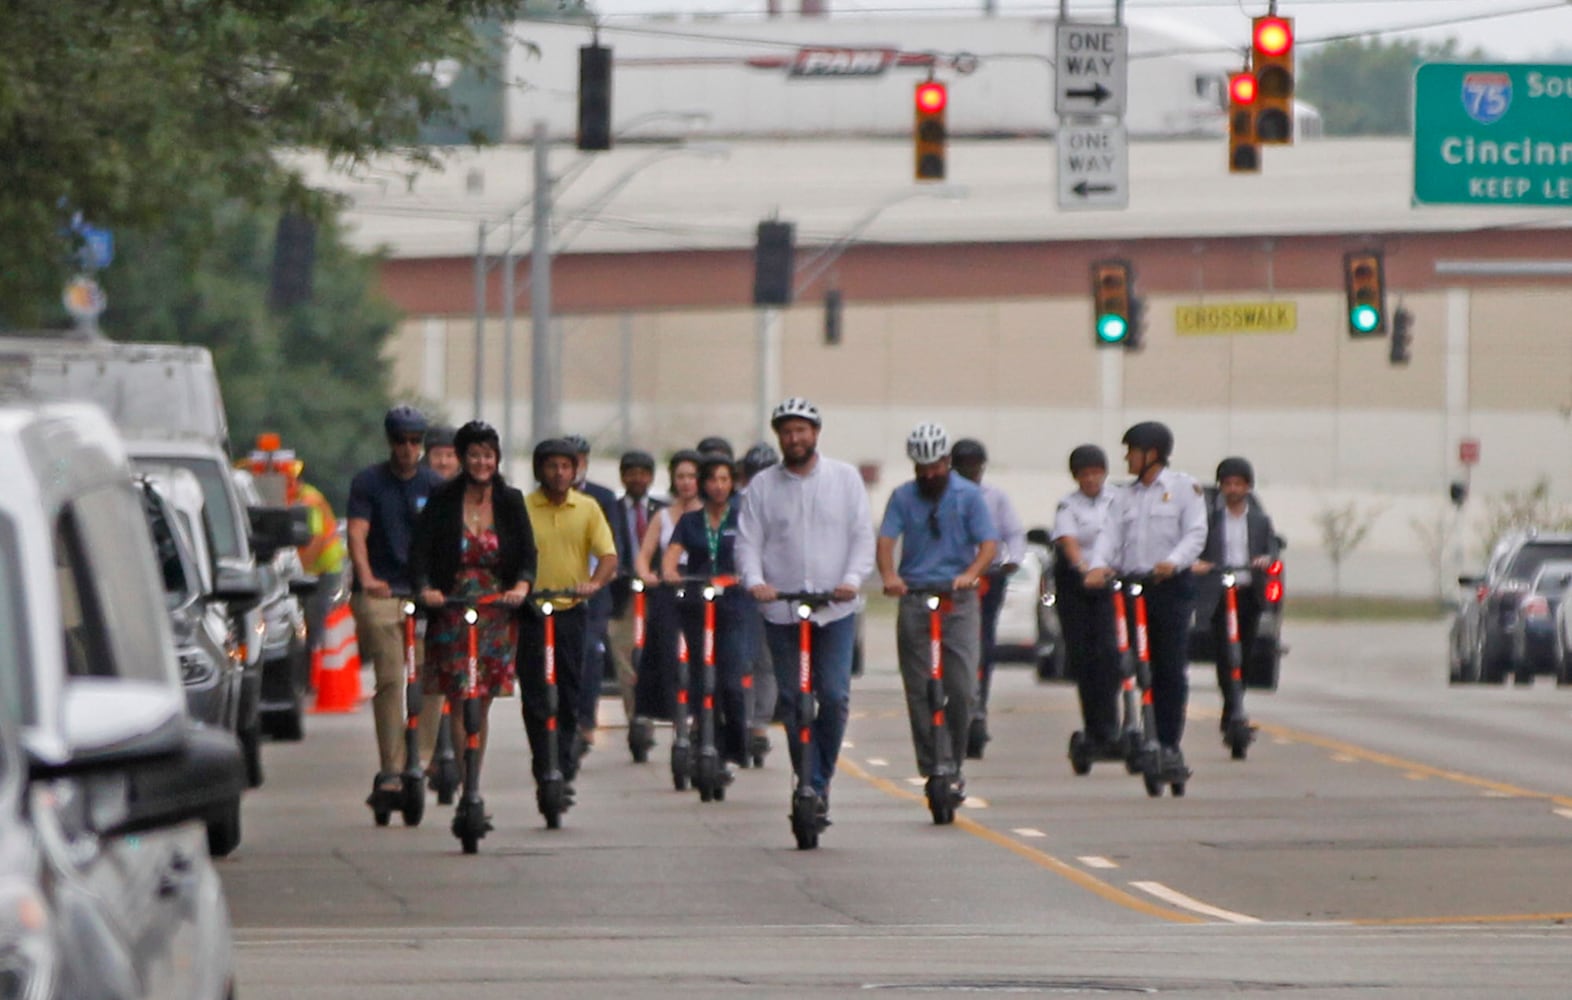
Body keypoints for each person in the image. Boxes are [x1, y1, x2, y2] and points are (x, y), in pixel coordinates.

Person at [737, 397, 875, 829]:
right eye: (786, 431)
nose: (794, 438)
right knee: (795, 701)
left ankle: (819, 780)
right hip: (783, 611)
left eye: (801, 430)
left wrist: (851, 579)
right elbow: (747, 542)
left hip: (834, 610)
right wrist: (756, 581)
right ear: (779, 437)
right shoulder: (763, 486)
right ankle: (805, 781)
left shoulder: (845, 479)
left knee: (832, 696)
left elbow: (861, 538)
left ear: (816, 433)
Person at [875, 423, 995, 802]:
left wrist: (970, 575)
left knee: (961, 688)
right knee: (921, 689)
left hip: (957, 599)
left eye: (935, 467)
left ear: (947, 461)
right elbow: (886, 540)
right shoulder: (902, 497)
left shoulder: (969, 496)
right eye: (921, 468)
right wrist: (890, 576)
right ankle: (932, 765)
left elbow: (988, 544)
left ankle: (954, 762)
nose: (929, 475)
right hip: (916, 596)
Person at [409, 421, 535, 773]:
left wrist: (521, 587)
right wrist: (426, 589)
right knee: (460, 696)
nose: (482, 463)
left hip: (496, 608)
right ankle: (463, 778)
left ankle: (472, 776)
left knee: (481, 701)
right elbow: (419, 552)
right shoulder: (442, 499)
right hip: (452, 607)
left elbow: (527, 553)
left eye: (489, 456)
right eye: (475, 455)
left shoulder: (510, 500)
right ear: (463, 458)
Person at [1084, 421, 1207, 780]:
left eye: (1132, 451)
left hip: (1168, 588)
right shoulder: (1123, 496)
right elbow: (1109, 535)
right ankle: (1132, 729)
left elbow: (1196, 532)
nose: (1126, 457)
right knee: (1126, 662)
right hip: (1130, 587)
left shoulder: (1184, 489)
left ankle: (1168, 742)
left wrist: (1175, 562)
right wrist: (1097, 566)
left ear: (1152, 453)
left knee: (1168, 666)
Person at [346, 405, 447, 805]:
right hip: (382, 592)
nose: (407, 449)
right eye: (400, 442)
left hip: (423, 593)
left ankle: (419, 760)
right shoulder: (369, 482)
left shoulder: (436, 486)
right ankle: (391, 768)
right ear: (390, 442)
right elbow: (357, 532)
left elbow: (444, 540)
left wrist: (442, 586)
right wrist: (368, 578)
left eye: (414, 442)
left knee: (433, 677)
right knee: (390, 677)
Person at [518, 438, 619, 805]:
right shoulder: (523, 507)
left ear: (575, 470)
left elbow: (608, 555)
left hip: (571, 610)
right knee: (534, 694)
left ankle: (562, 760)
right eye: (551, 466)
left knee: (569, 689)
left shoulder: (588, 507)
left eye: (566, 466)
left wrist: (592, 584)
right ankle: (542, 764)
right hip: (531, 610)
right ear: (539, 470)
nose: (559, 473)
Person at [662, 453, 752, 769]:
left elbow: (754, 555)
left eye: (725, 479)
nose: (718, 486)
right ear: (703, 484)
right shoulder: (690, 521)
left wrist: (748, 576)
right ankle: (703, 736)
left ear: (732, 483)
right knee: (701, 679)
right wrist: (671, 573)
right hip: (697, 606)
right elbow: (671, 557)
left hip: (732, 607)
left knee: (729, 682)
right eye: (712, 479)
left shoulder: (742, 519)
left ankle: (737, 746)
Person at [949, 437, 1025, 759]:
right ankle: (947, 698)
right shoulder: (944, 495)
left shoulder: (995, 497)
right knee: (951, 641)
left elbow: (1013, 533)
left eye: (976, 466)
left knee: (982, 643)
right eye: (964, 467)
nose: (971, 472)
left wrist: (1013, 559)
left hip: (987, 577)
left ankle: (977, 703)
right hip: (951, 579)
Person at [1191, 456, 1279, 732]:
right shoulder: (1210, 521)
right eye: (1227, 484)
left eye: (1238, 484)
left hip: (1247, 591)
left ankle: (1236, 704)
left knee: (1246, 650)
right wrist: (1200, 564)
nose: (1233, 489)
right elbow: (1195, 548)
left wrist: (1265, 560)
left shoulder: (1260, 521)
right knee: (1225, 652)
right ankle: (1232, 707)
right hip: (1219, 593)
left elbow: (1272, 549)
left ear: (1248, 487)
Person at [1052, 444, 1121, 755]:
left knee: (1110, 654)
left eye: (1096, 473)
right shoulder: (1068, 506)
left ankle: (1115, 725)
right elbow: (1069, 541)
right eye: (1085, 474)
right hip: (1079, 587)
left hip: (1113, 582)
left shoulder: (1118, 500)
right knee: (1085, 658)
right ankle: (1095, 727)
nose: (1091, 479)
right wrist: (1084, 567)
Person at [632, 450, 703, 738]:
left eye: (692, 476)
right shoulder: (662, 516)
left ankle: (702, 718)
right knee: (665, 653)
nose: (686, 483)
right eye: (681, 477)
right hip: (668, 589)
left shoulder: (708, 514)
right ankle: (673, 715)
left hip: (700, 588)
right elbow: (644, 555)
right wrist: (646, 574)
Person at [564, 434, 624, 755]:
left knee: (590, 654)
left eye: (577, 461)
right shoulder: (541, 499)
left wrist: (604, 577)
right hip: (556, 591)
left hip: (594, 592)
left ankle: (585, 720)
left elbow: (614, 547)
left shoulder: (603, 497)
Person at [608, 450, 665, 741]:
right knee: (625, 656)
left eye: (643, 473)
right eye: (631, 472)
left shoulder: (662, 510)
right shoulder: (611, 509)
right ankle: (637, 716)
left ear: (652, 477)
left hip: (658, 592)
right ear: (622, 476)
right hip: (622, 595)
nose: (637, 479)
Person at [737, 442, 781, 760]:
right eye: (753, 473)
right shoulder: (738, 505)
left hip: (776, 592)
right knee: (741, 661)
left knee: (767, 662)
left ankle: (759, 727)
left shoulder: (784, 503)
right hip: (740, 593)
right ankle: (739, 720)